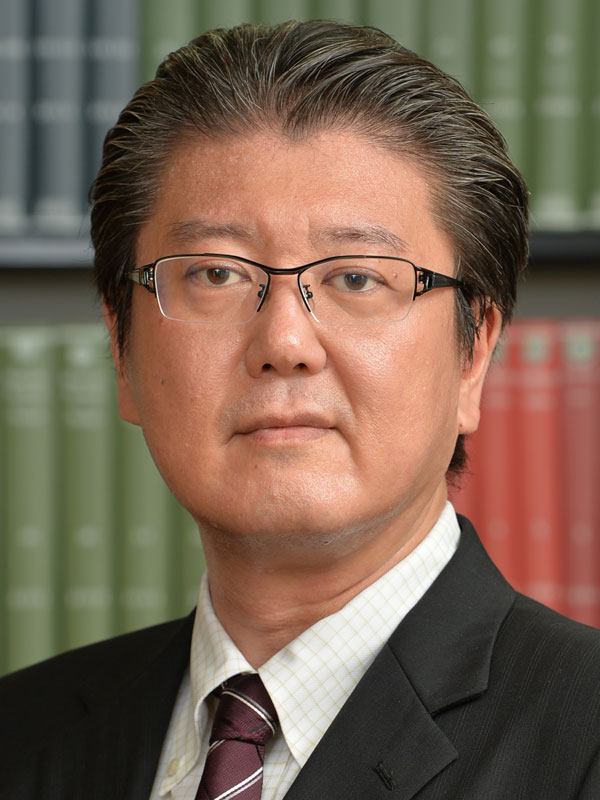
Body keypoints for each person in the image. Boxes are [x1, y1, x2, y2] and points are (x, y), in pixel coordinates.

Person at [1, 19, 599, 800]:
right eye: (215, 274)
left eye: (358, 278)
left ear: (472, 356)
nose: (284, 343)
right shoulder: (21, 734)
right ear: (123, 349)